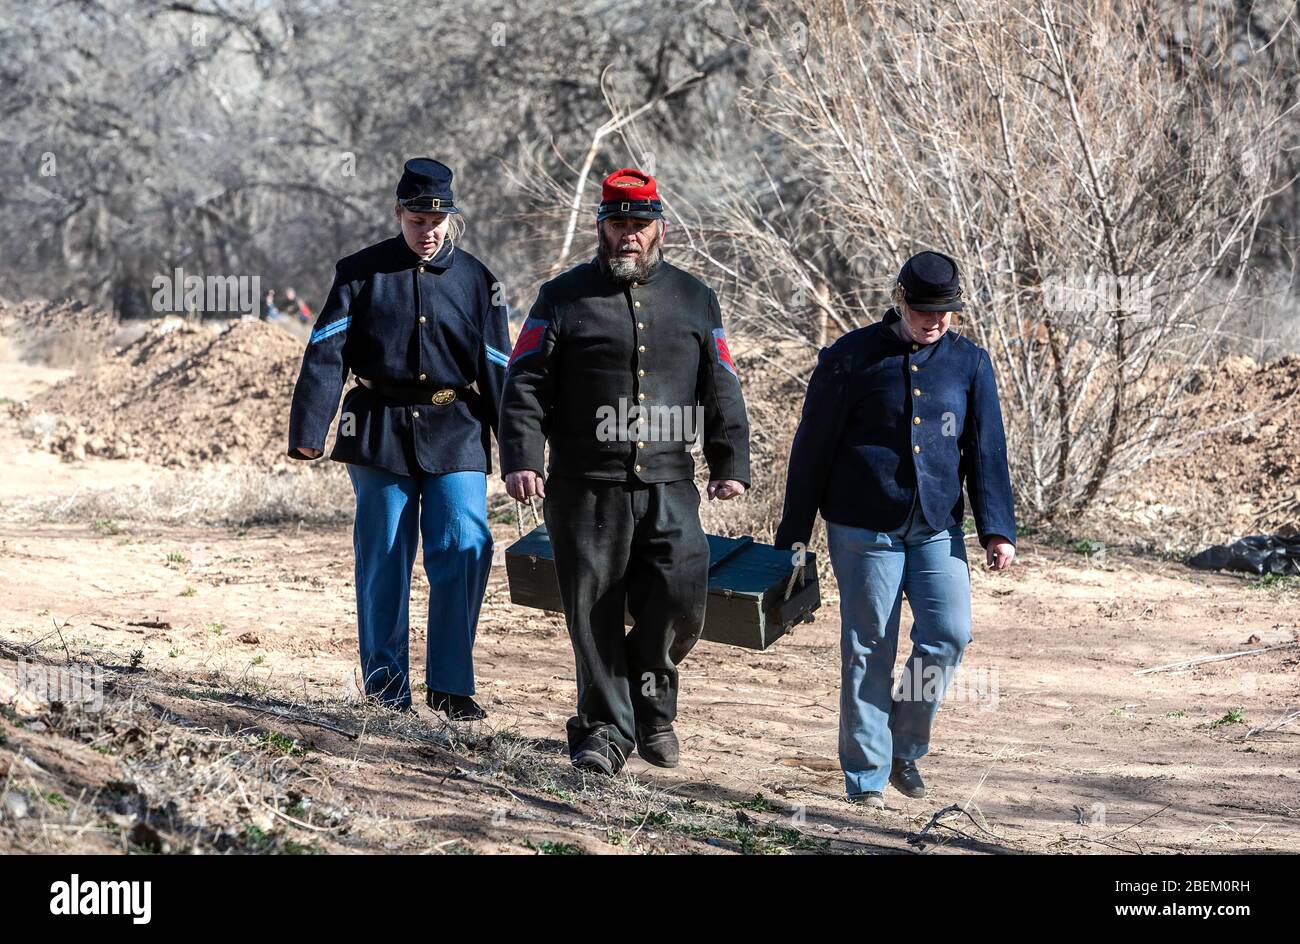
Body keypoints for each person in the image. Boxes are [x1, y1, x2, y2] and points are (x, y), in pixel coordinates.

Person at [499, 168, 750, 774]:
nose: (629, 236)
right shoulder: (560, 297)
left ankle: (652, 709)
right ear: (601, 227)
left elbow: (721, 382)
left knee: (682, 597)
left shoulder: (695, 298)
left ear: (659, 227)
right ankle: (602, 732)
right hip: (584, 487)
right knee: (593, 611)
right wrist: (523, 458)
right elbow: (525, 381)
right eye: (618, 225)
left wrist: (729, 459)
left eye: (640, 225)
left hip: (669, 482)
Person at [774, 250, 1016, 808]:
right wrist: (794, 531)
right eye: (925, 310)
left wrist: (996, 528)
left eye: (946, 311)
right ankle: (865, 778)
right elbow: (811, 448)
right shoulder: (849, 357)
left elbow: (985, 451)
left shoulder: (970, 363)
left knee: (949, 634)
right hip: (863, 526)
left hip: (936, 526)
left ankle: (904, 743)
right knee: (869, 646)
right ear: (899, 300)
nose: (936, 321)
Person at [287, 158, 512, 721]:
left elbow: (499, 367)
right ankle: (386, 690)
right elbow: (326, 352)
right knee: (385, 555)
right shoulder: (360, 272)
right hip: (378, 429)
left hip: (456, 426)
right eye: (416, 220)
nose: (427, 231)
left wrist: (520, 449)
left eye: (437, 221)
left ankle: (451, 686)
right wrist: (309, 431)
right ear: (398, 214)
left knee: (465, 545)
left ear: (451, 218)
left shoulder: (480, 281)